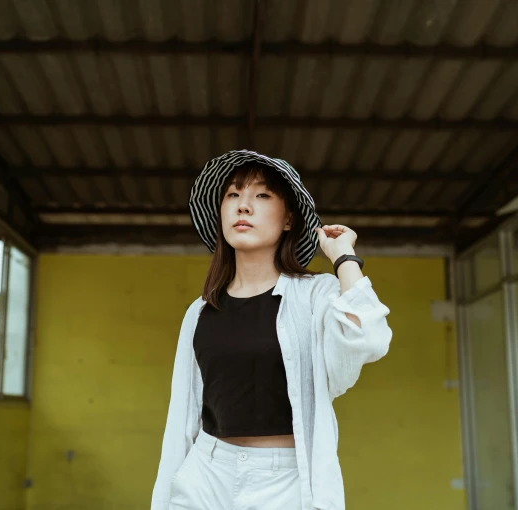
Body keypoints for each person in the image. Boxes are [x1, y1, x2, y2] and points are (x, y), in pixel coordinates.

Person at [151, 149, 393, 510]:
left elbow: (368, 339)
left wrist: (343, 256)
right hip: (206, 471)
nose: (243, 206)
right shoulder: (200, 311)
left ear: (288, 220)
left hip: (285, 481)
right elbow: (182, 416)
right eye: (233, 195)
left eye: (261, 195)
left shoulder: (316, 295)